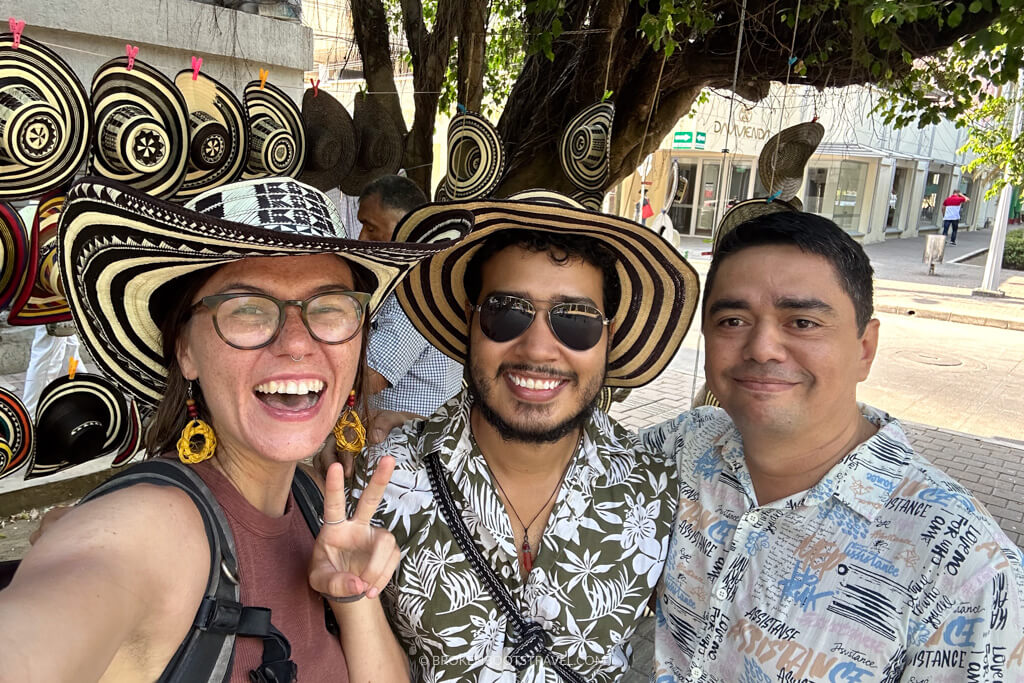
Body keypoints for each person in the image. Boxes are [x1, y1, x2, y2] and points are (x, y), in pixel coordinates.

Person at [0, 176, 466, 681]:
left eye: (330, 306)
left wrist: (354, 597)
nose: (296, 343)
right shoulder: (147, 529)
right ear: (185, 350)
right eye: (247, 308)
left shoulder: (311, 501)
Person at [643, 210, 1024, 682]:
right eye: (733, 320)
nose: (762, 348)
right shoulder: (687, 444)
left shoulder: (968, 569)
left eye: (802, 322)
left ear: (865, 348)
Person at [350, 193, 701, 681]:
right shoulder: (375, 484)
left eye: (575, 320)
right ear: (469, 322)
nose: (538, 348)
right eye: (507, 311)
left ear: (609, 337)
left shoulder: (662, 492)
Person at [358, 175, 463, 415]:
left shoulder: (412, 291)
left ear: (406, 227)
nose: (362, 238)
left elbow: (372, 377)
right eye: (361, 225)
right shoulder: (431, 276)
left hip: (405, 442)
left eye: (371, 227)